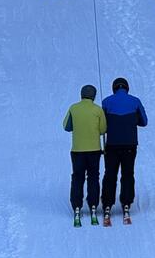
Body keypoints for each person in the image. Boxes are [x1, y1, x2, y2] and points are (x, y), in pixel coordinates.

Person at [102, 77, 148, 225]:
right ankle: (126, 202)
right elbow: (144, 121)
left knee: (110, 174)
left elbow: (102, 124)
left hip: (112, 144)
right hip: (130, 144)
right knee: (128, 173)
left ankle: (107, 203)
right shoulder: (135, 101)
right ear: (127, 88)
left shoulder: (106, 102)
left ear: (114, 88)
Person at [63, 84, 107, 227]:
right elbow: (103, 130)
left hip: (77, 150)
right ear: (93, 96)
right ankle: (93, 204)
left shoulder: (73, 108)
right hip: (94, 150)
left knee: (77, 177)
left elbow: (66, 127)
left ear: (81, 95)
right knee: (93, 176)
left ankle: (76, 205)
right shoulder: (98, 110)